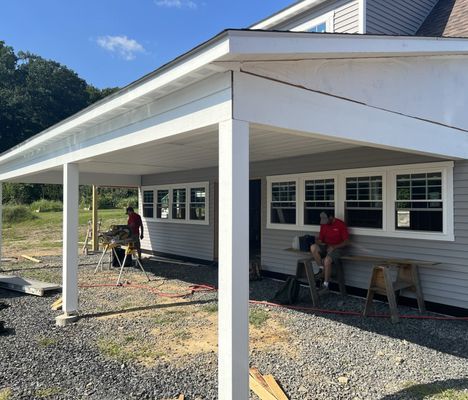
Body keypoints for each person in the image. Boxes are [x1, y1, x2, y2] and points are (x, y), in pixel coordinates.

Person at [310, 211, 349, 289]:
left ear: (331, 217)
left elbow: (347, 242)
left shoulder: (340, 224)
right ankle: (322, 269)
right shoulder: (323, 224)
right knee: (313, 247)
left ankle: (325, 284)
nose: (324, 223)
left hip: (338, 248)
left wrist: (334, 247)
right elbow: (321, 239)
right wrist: (318, 241)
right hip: (326, 246)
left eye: (325, 221)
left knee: (327, 260)